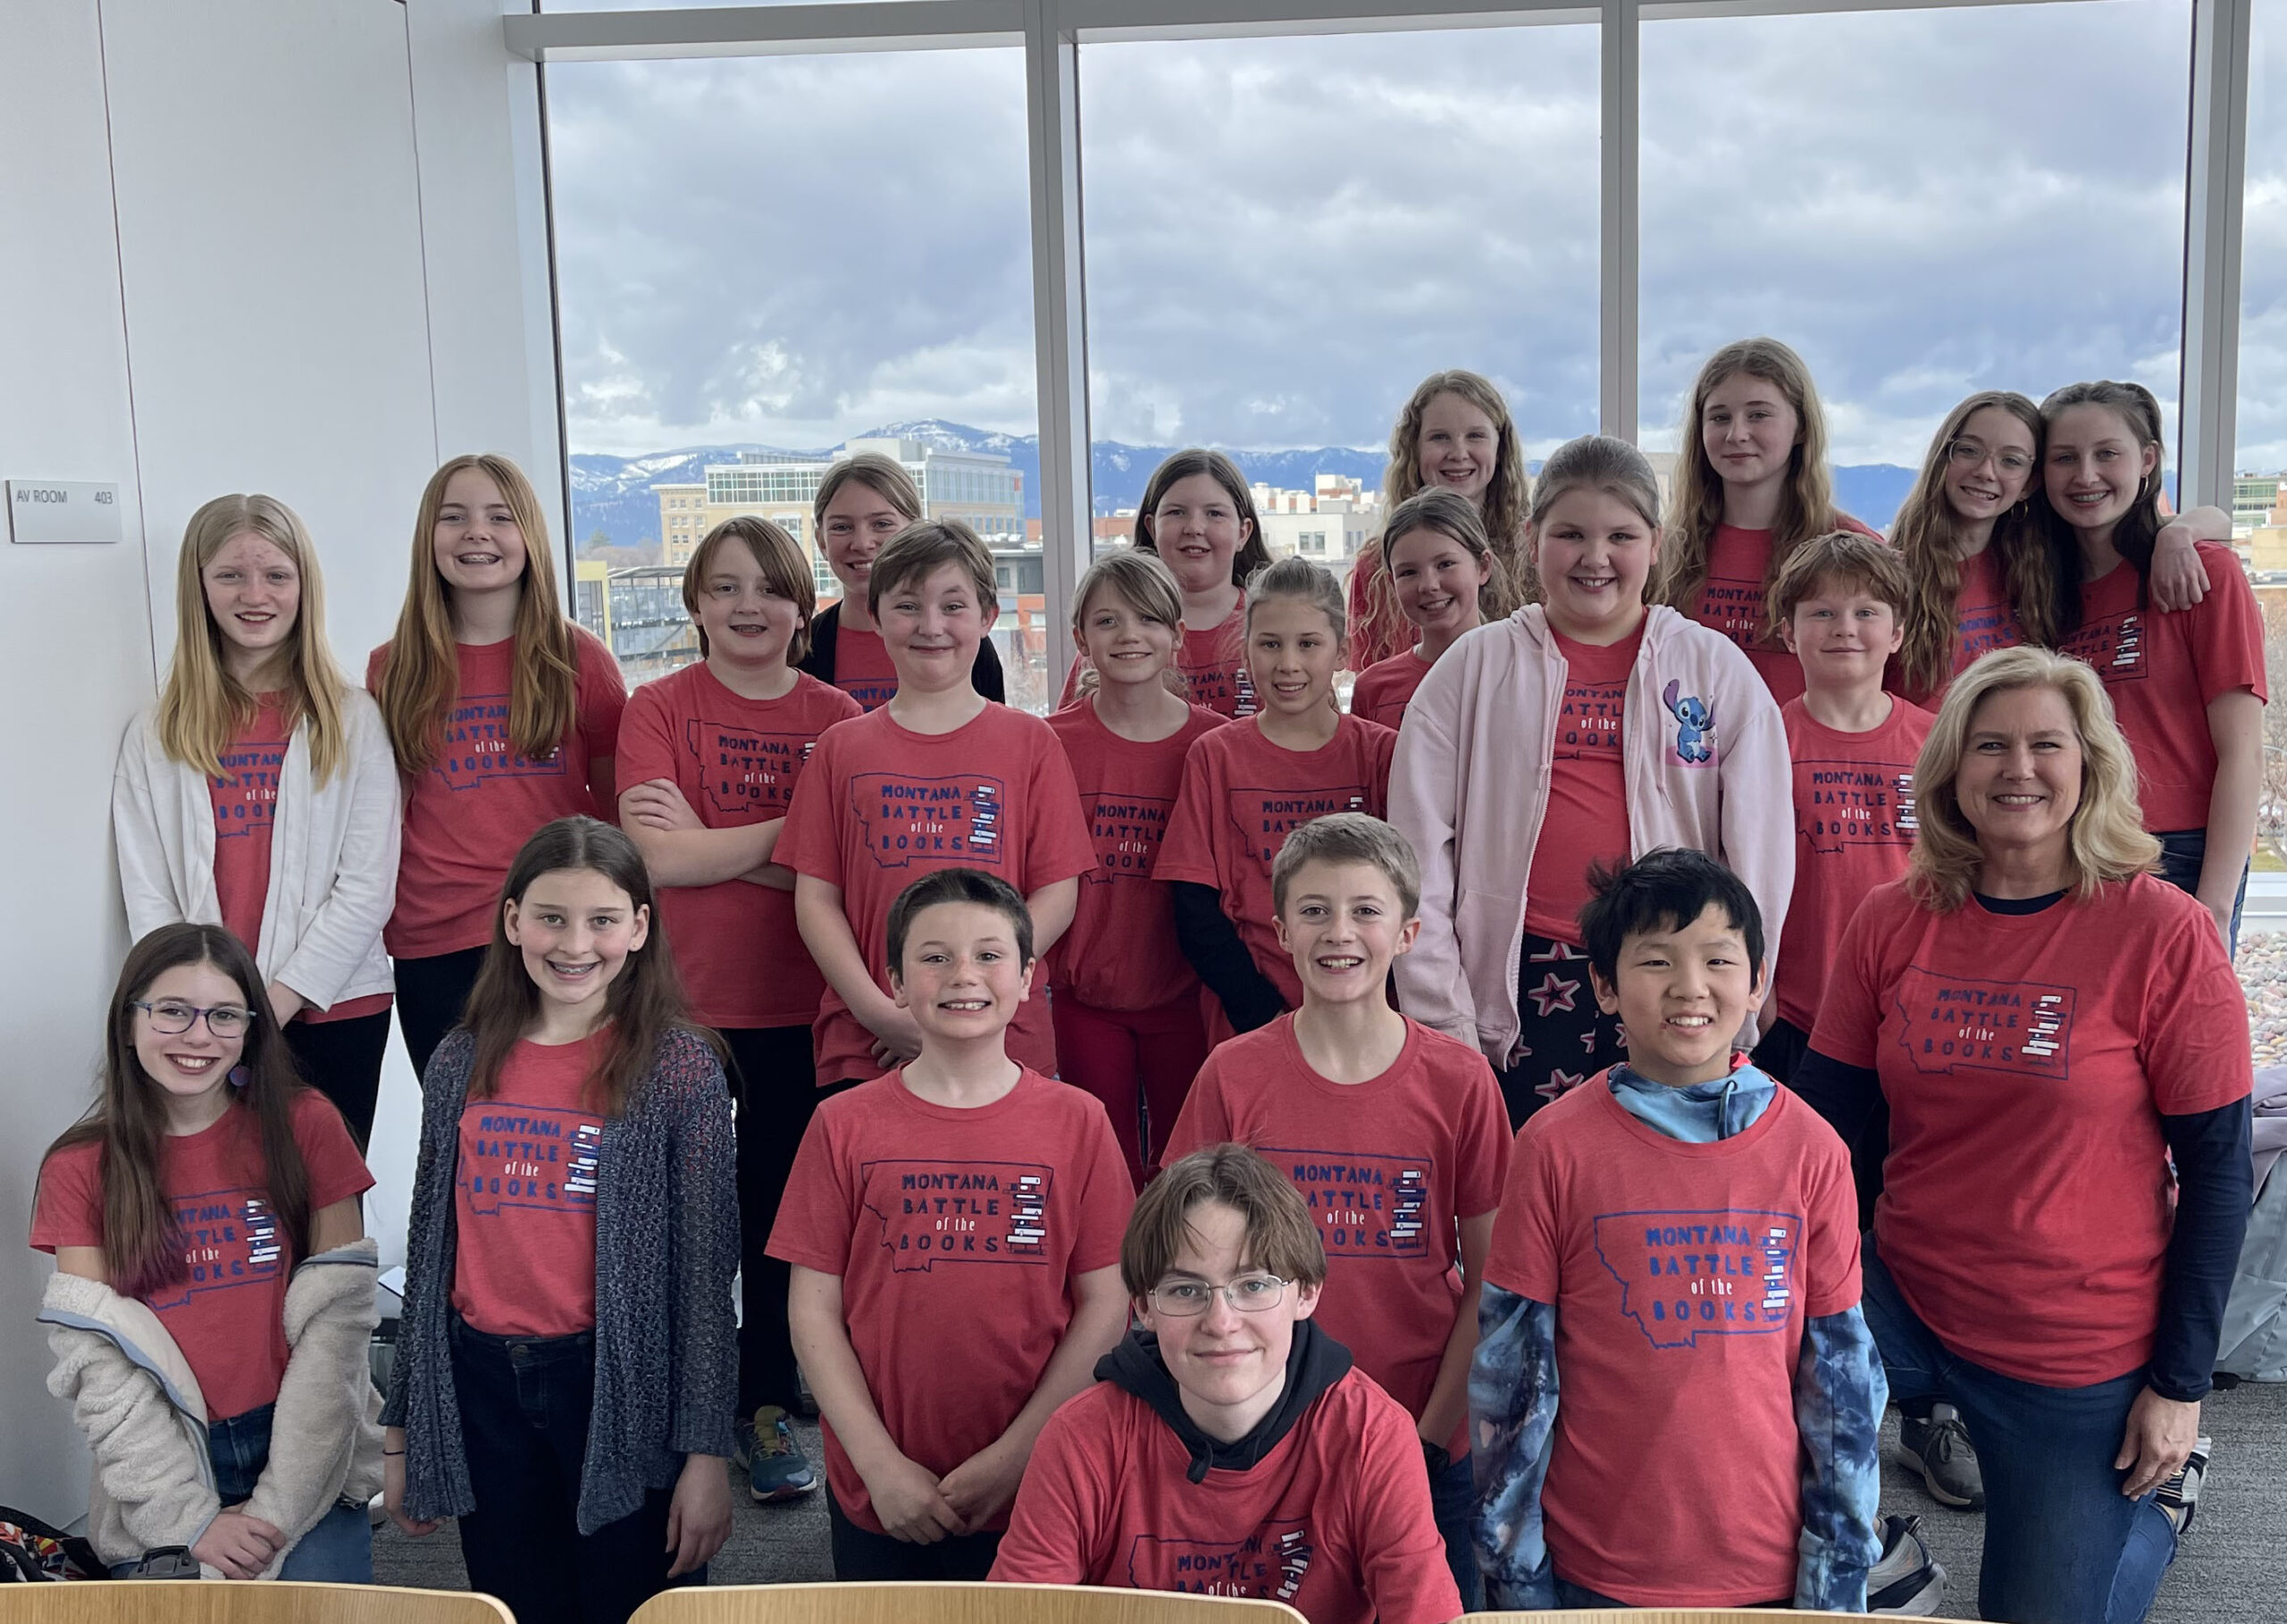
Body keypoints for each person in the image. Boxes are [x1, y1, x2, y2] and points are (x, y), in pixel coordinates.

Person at [1794, 646, 2254, 1624]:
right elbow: (1819, 1132)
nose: (2017, 768)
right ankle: (1878, 1556)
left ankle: (2157, 1507)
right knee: (1728, 1392)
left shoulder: (2161, 933)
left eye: (2047, 744)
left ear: (2089, 765)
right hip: (1902, 1299)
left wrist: (2177, 1386)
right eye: (1989, 745)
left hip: (2072, 1337)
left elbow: (2216, 1175)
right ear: (1951, 770)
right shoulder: (1891, 920)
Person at [1470, 850, 1885, 1612]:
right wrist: (1515, 1572)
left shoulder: (1813, 1150)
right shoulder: (1554, 1146)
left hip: (1766, 1572)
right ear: (1603, 985)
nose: (1690, 987)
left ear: (1757, 980)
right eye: (1655, 960)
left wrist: (1836, 1583)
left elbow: (1842, 1384)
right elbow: (1513, 1376)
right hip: (1592, 1567)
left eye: (1719, 959)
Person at [381, 816, 737, 1624]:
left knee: (632, 1603)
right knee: (512, 1605)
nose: (575, 943)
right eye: (550, 917)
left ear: (640, 928)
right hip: (482, 1385)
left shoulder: (679, 1067)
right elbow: (431, 1253)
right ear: (512, 921)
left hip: (619, 1385)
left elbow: (707, 1279)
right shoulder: (459, 1061)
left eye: (603, 920)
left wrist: (708, 1453)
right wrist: (400, 1435)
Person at [1391, 434, 1792, 1127]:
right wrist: (1440, 1006)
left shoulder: (1714, 669)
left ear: (1656, 543)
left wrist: (1741, 982)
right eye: (1570, 533)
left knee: (1655, 1186)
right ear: (1529, 538)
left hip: (1674, 970)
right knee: (1523, 1192)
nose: (1595, 557)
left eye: (1621, 535)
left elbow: (1760, 852)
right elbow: (1417, 851)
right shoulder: (1473, 667)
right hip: (1515, 976)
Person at [1162, 814, 1507, 1607]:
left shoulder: (1459, 1082)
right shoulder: (1234, 1075)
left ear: (1409, 931)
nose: (1338, 931)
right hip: (1262, 1438)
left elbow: (1494, 1278)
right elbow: (1176, 1261)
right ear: (1280, 931)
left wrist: (1427, 1436)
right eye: (1314, 910)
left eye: (1365, 910)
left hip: (1423, 1431)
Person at [768, 868, 1135, 1579]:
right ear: (896, 983)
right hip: (882, 1491)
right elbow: (812, 1309)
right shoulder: (841, 1124)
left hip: (1042, 1480)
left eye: (989, 955)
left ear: (1028, 978)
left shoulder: (1080, 1122)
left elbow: (1107, 1302)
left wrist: (1017, 1455)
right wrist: (880, 1466)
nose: (963, 974)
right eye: (934, 957)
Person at [614, 515, 860, 1503]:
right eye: (724, 588)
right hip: (676, 1007)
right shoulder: (659, 706)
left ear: (803, 607)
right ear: (695, 605)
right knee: (665, 1217)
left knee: (773, 1222)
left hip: (802, 1007)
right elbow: (656, 861)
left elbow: (840, 868)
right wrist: (788, 847)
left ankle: (759, 1404)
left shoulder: (838, 716)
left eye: (768, 588)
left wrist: (721, 842)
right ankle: (668, 1404)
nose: (747, 606)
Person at [990, 1143, 1464, 1624]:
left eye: (1253, 1285)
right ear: (1144, 1308)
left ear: (1307, 1293)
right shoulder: (1081, 1439)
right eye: (1185, 1290)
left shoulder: (1372, 1435)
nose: (1221, 1322)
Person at [34, 924, 378, 1581]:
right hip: (159, 1461)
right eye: (172, 1011)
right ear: (129, 1020)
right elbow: (97, 1364)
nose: (198, 1037)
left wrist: (280, 1508)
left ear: (250, 1028)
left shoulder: (307, 1124)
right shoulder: (78, 1165)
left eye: (224, 1015)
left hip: (304, 1440)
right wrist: (187, 1519)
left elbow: (340, 1329)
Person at [113, 494, 399, 1146]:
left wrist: (265, 1008)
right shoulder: (155, 734)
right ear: (199, 586)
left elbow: (366, 889)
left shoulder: (352, 720)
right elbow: (149, 896)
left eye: (276, 575)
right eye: (231, 575)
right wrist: (205, 1013)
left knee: (329, 1215)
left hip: (333, 1010)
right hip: (200, 1028)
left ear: (304, 586)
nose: (255, 594)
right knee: (232, 1205)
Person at [778, 519, 1096, 1086]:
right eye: (907, 607)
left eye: (953, 606)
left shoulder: (1030, 742)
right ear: (873, 617)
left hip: (1004, 1035)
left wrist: (980, 987)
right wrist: (880, 1012)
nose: (931, 627)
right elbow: (816, 902)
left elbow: (1057, 893)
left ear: (987, 617)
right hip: (871, 1039)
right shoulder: (840, 746)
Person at [371, 454, 626, 1080]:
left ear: (530, 538)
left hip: (559, 935)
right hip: (436, 940)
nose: (476, 532)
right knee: (459, 1134)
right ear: (428, 539)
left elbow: (616, 812)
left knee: (560, 1124)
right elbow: (382, 814)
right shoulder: (392, 669)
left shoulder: (579, 660)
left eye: (499, 517)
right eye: (453, 517)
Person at [2042, 380, 2266, 954]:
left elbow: (2242, 752)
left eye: (2106, 453)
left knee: (2181, 1038)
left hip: (2182, 852)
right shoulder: (2044, 592)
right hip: (2074, 850)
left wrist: (2215, 905)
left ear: (2147, 460)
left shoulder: (2202, 574)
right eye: (2064, 457)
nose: (2085, 475)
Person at [1160, 557, 1397, 1041]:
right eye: (1270, 644)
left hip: (1365, 1017)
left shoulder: (1381, 753)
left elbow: (1408, 897)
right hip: (1252, 1020)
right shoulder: (1215, 756)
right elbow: (1194, 908)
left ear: (1342, 653)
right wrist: (1261, 1012)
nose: (1288, 664)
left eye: (1308, 644)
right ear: (1246, 653)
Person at [1046, 551, 1225, 1185]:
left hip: (1185, 999)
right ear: (1080, 640)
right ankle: (1111, 1289)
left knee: (1186, 1172)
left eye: (1148, 619)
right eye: (1108, 621)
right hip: (1083, 998)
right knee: (1104, 1169)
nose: (1128, 635)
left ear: (1177, 638)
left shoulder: (1214, 744)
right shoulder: (1050, 742)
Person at [1890, 391, 2224, 710]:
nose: (1986, 471)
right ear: (1941, 459)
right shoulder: (1891, 573)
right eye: (1968, 450)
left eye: (2011, 460)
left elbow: (2214, 521)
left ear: (2030, 484)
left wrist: (2179, 534)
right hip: (1921, 767)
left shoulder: (2039, 565)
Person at [1755, 530, 1933, 1084]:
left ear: (1898, 633)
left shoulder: (1938, 744)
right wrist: (1760, 995)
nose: (1845, 628)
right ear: (1788, 632)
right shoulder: (1765, 741)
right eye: (1822, 612)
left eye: (1866, 611)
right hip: (1795, 1014)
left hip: (1913, 1009)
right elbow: (1742, 878)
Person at [1651, 337, 1881, 706]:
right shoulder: (1667, 552)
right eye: (1720, 417)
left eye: (1758, 414)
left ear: (1801, 427)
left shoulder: (1854, 552)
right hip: (1693, 757)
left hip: (1804, 760)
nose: (1736, 433)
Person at [1064, 448, 1273, 717]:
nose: (1194, 527)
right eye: (1176, 512)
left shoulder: (1273, 624)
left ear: (1243, 533)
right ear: (1152, 528)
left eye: (1215, 514)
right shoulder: (1115, 632)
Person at [1347, 370, 1532, 671]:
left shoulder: (1535, 558)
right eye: (1439, 438)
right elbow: (1372, 691)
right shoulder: (1375, 570)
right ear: (1414, 450)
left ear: (1500, 449)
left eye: (1475, 436)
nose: (1459, 453)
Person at [799, 451, 1004, 709]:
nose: (862, 543)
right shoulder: (804, 649)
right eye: (842, 527)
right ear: (821, 542)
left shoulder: (962, 645)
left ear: (915, 532)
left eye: (882, 524)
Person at [1348, 489, 1519, 732]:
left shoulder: (1521, 671)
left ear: (1483, 566)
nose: (1429, 585)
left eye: (1445, 564)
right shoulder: (1374, 689)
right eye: (1408, 572)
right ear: (1391, 582)